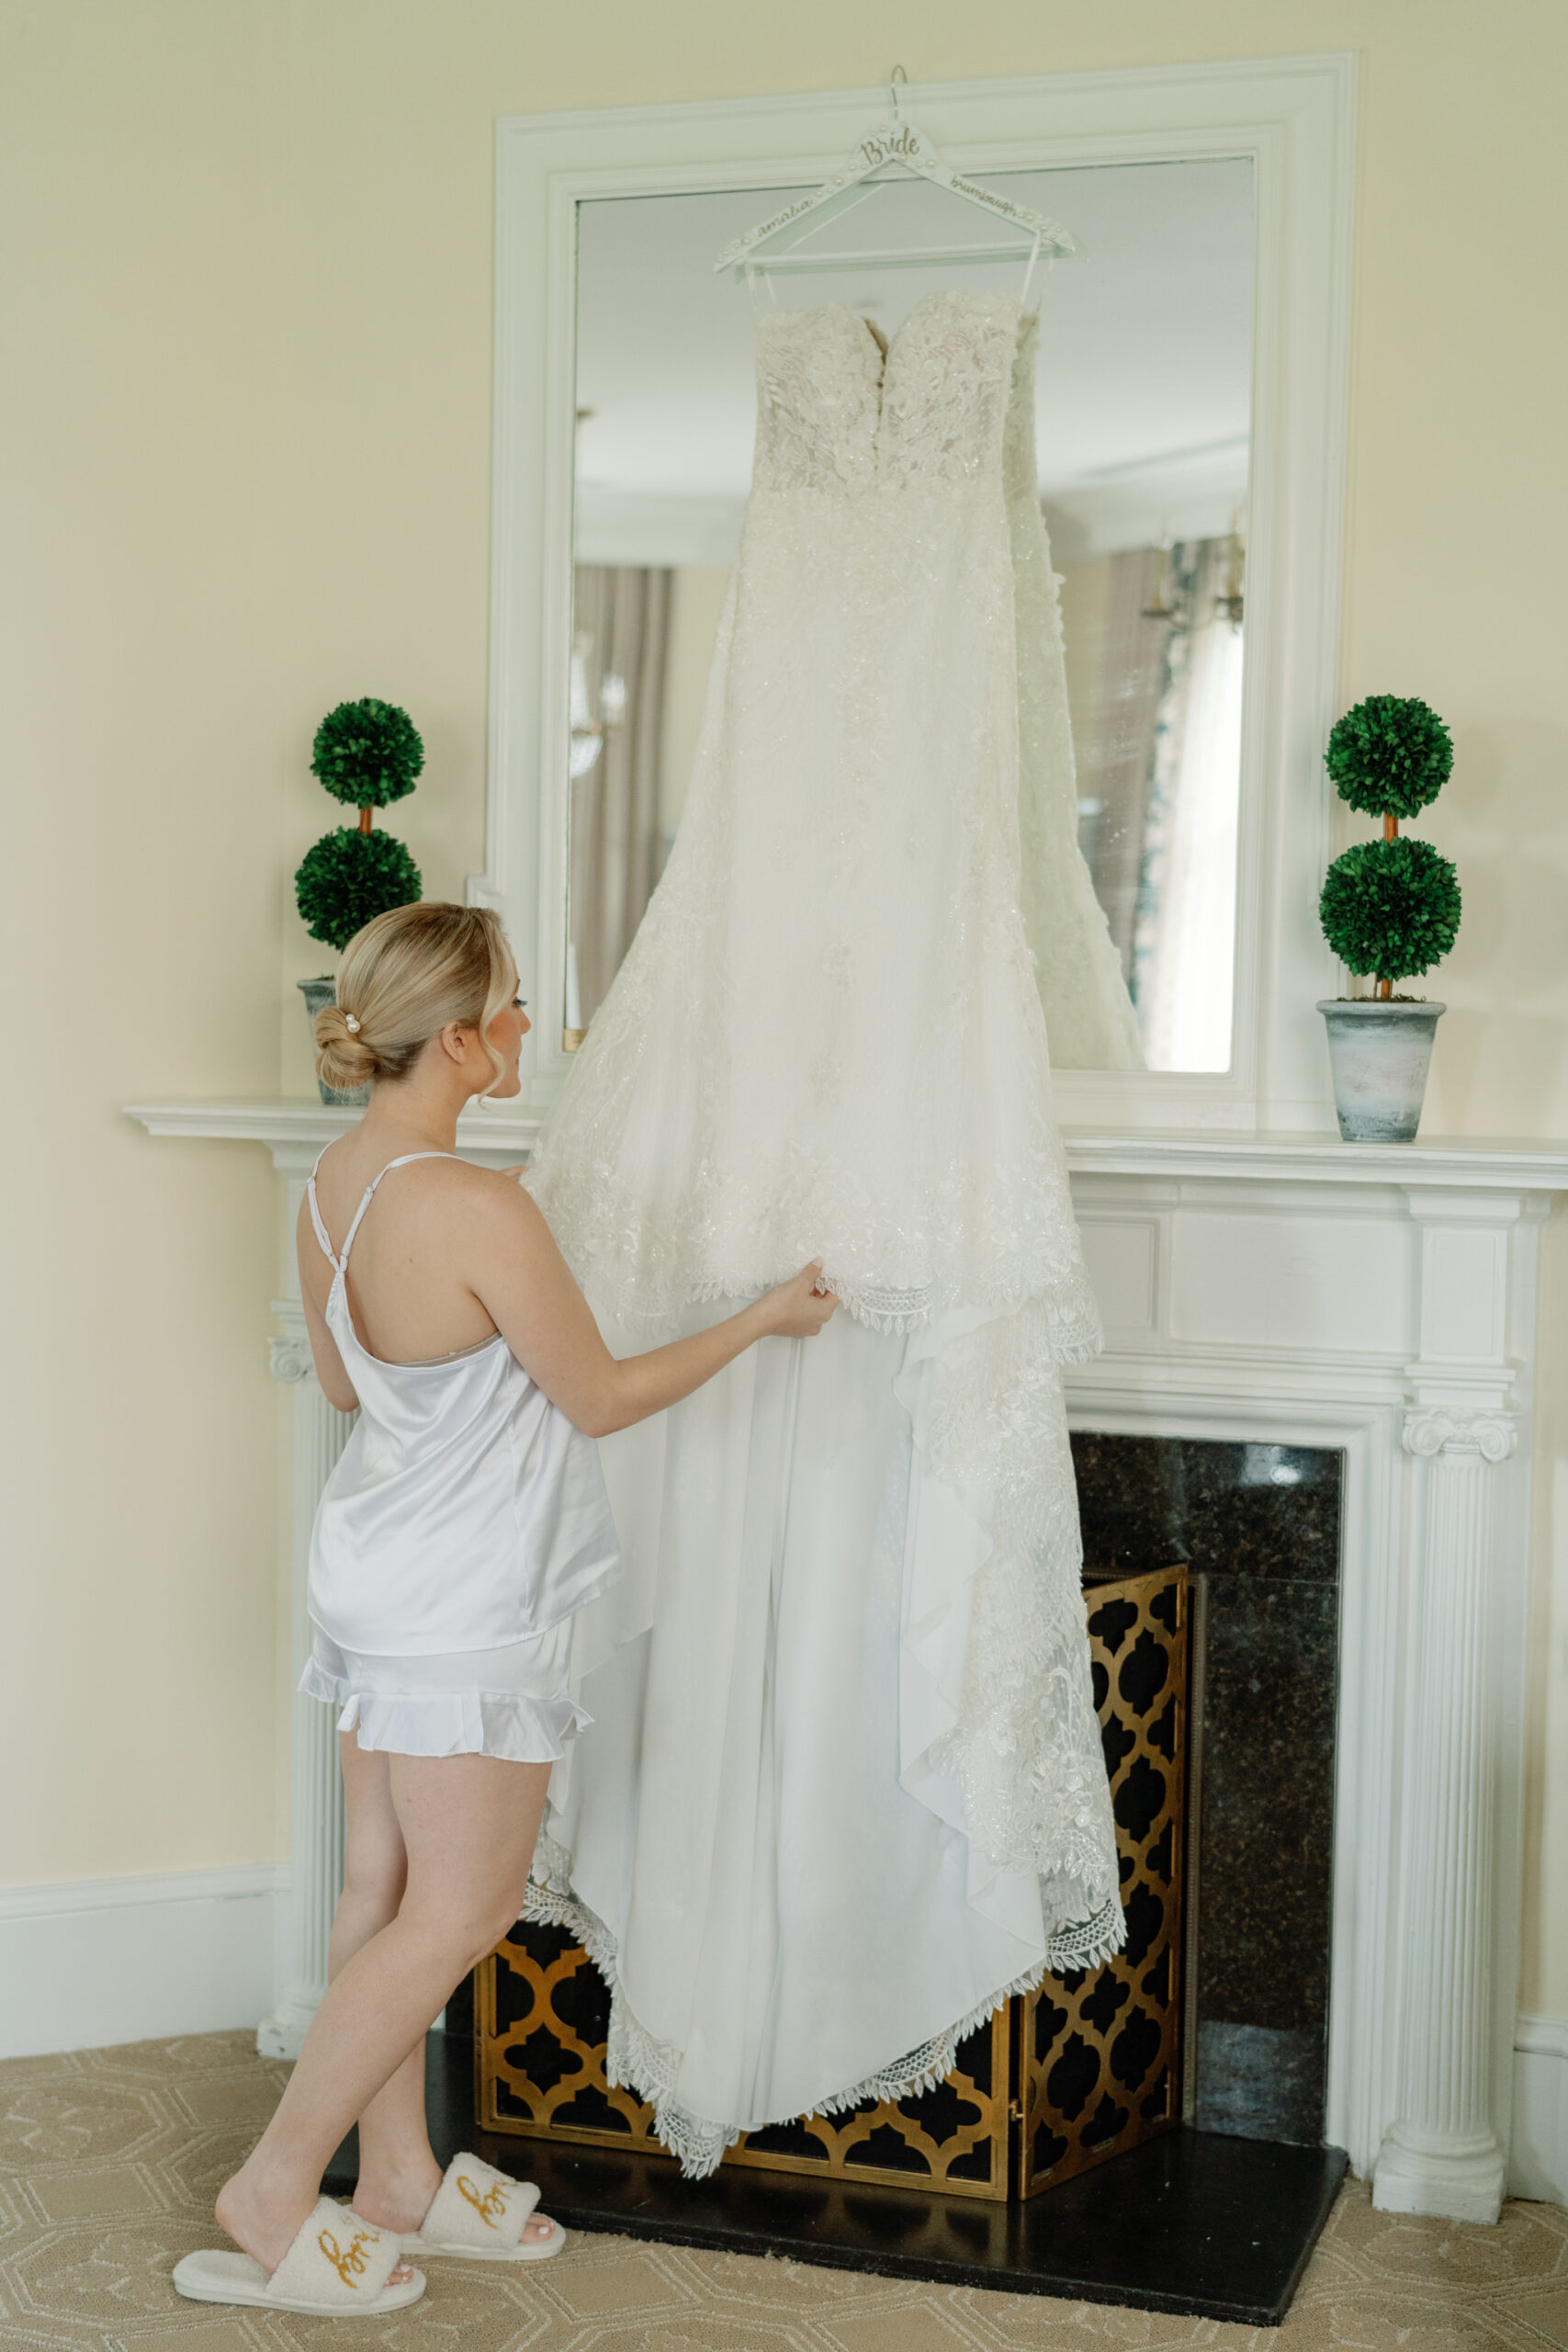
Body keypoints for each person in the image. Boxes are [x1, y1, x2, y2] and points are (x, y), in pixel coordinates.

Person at [174, 900, 836, 2319]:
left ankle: (399, 2177)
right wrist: (767, 1319)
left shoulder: (332, 1183)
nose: (533, 1027)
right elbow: (596, 1398)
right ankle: (278, 2182)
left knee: (381, 1887)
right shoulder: (476, 1207)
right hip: (467, 1599)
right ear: (461, 1041)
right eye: (517, 1007)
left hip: (371, 1570)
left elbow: (355, 1388)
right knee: (459, 1910)